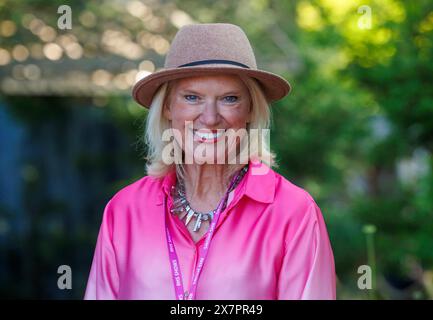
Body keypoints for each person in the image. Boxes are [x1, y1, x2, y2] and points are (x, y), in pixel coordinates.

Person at [84, 23, 336, 300]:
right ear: (168, 107)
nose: (210, 117)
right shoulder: (124, 210)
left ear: (251, 109)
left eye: (229, 99)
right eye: (192, 97)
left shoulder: (293, 212)